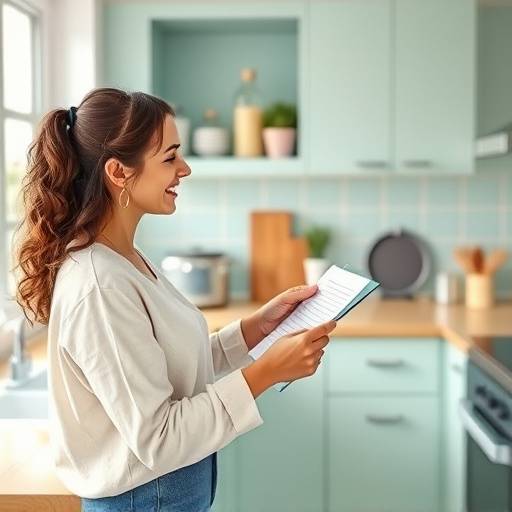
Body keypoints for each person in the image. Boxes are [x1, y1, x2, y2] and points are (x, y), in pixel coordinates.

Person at [13, 87, 336, 512]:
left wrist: (259, 327)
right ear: (119, 172)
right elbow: (158, 438)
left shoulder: (124, 259)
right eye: (169, 157)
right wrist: (267, 372)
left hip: (163, 492)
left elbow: (171, 365)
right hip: (146, 499)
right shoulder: (100, 285)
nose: (183, 169)